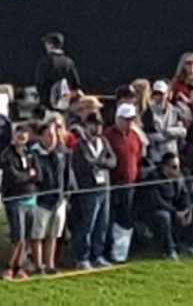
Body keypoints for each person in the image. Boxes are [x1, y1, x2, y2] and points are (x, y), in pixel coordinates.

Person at [69, 113, 115, 270]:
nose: (96, 129)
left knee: (102, 224)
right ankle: (82, 257)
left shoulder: (104, 142)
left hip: (104, 188)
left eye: (99, 125)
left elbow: (112, 161)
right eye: (93, 125)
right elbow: (85, 165)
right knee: (87, 224)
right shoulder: (80, 145)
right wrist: (102, 163)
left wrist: (99, 163)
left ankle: (97, 254)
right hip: (89, 189)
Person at [30, 120, 73, 274]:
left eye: (53, 135)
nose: (51, 139)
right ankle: (38, 264)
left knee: (53, 234)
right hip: (42, 201)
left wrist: (67, 194)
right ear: (41, 137)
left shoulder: (63, 153)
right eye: (48, 135)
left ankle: (50, 264)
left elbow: (67, 175)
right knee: (38, 234)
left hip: (59, 200)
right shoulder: (34, 154)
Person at [0, 124, 40, 280]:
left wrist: (28, 176)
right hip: (14, 199)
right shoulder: (7, 154)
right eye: (18, 133)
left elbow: (38, 174)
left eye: (24, 133)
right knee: (18, 236)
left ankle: (19, 266)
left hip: (31, 198)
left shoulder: (31, 153)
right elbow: (13, 176)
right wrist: (28, 175)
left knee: (27, 236)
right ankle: (9, 267)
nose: (21, 136)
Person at [104, 102, 144, 256]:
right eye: (126, 119)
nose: (129, 123)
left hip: (130, 184)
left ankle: (121, 253)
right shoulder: (108, 135)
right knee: (113, 218)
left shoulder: (134, 136)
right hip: (115, 184)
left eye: (131, 119)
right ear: (118, 118)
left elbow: (138, 155)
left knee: (126, 218)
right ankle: (110, 251)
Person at [35, 32, 82, 112]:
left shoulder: (43, 62)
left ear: (50, 45)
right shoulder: (68, 62)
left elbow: (39, 83)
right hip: (65, 105)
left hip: (47, 107)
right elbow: (75, 84)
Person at [143, 80, 187, 165]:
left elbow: (183, 132)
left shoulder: (175, 111)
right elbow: (152, 136)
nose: (159, 97)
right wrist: (174, 133)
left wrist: (167, 131)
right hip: (157, 157)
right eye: (156, 94)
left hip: (173, 154)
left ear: (167, 94)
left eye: (161, 94)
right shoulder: (148, 113)